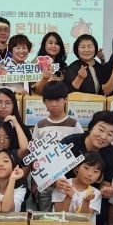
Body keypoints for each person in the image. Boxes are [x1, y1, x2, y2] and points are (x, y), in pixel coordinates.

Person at [61, 111, 113, 225]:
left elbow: (104, 183)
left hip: (92, 195)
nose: (103, 137)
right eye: (101, 130)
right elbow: (52, 170)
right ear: (91, 127)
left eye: (110, 134)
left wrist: (105, 190)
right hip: (63, 190)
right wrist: (58, 183)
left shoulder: (112, 153)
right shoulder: (70, 143)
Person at [32, 81, 83, 211]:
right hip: (46, 181)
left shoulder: (74, 124)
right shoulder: (40, 125)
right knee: (45, 216)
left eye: (58, 100)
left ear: (65, 99)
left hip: (68, 182)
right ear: (44, 101)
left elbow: (81, 153)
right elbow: (35, 156)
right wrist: (35, 183)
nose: (54, 104)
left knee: (66, 215)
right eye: (49, 100)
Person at [53, 152, 104, 225]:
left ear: (100, 176)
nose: (90, 174)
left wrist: (86, 201)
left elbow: (84, 219)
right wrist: (68, 197)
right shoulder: (63, 185)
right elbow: (59, 215)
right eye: (86, 168)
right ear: (77, 167)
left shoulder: (96, 193)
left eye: (96, 171)